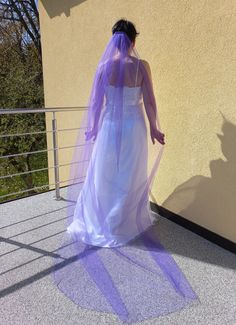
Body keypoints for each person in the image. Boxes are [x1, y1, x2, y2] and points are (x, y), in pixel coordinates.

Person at [53, 19, 199, 323]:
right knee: (130, 177)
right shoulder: (141, 65)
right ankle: (123, 222)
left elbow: (96, 102)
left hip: (109, 128)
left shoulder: (103, 67)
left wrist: (92, 128)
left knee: (104, 177)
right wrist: (155, 129)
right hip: (133, 128)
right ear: (133, 39)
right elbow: (150, 101)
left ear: (114, 39)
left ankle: (103, 221)